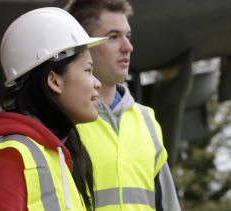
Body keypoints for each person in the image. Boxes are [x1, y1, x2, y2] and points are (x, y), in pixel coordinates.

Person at [0, 7, 107, 211]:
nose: (97, 83)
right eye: (88, 70)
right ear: (54, 80)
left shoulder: (53, 156)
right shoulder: (8, 159)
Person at [65, 1, 182, 210]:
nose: (128, 47)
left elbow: (168, 204)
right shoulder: (61, 120)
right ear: (83, 46)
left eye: (127, 36)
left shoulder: (147, 120)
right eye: (113, 36)